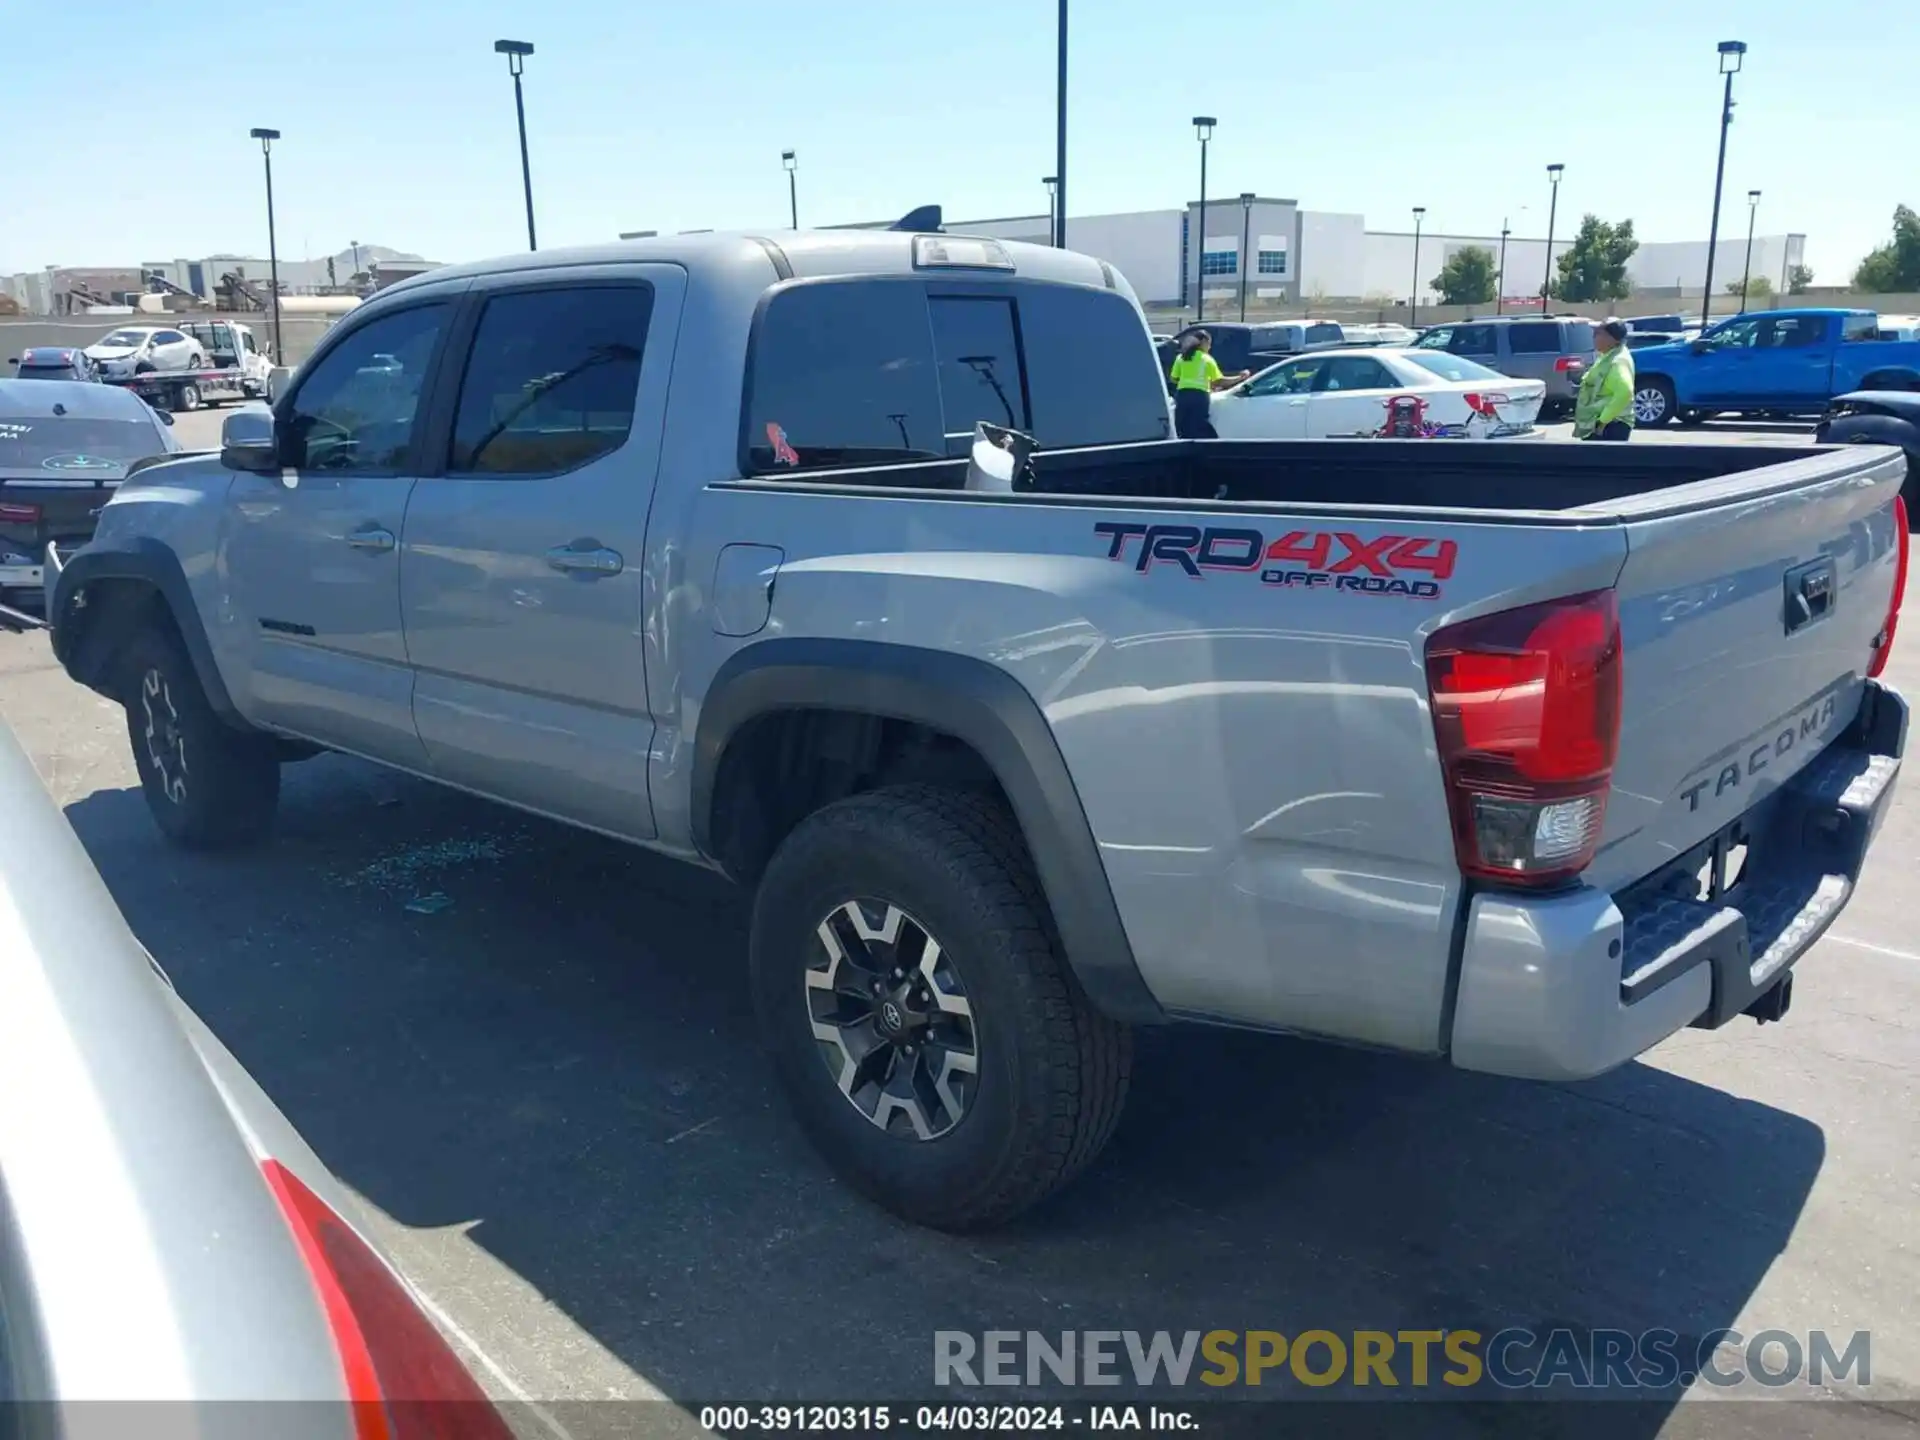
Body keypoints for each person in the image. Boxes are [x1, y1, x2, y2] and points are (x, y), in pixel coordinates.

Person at [1167, 330, 1250, 439]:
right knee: (1198, 426)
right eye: (1209, 343)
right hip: (1199, 397)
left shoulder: (1181, 358)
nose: (1210, 347)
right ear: (1203, 342)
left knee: (1182, 426)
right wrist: (1240, 378)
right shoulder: (1206, 359)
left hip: (1182, 395)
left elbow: (1173, 379)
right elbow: (1219, 381)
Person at [1574, 317, 1636, 441]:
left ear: (1612, 339)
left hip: (1611, 426)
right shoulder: (1607, 355)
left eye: (1598, 333)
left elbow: (1625, 392)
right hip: (1601, 423)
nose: (1594, 337)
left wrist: (1603, 421)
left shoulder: (1618, 361)